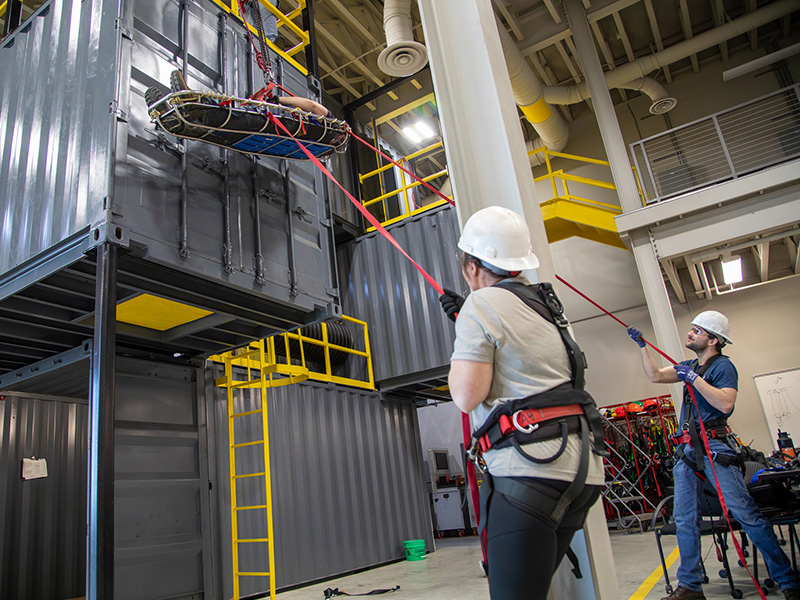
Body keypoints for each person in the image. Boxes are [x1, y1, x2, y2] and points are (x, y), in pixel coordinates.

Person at [439, 206, 605, 600]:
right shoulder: (547, 305)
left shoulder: (481, 307)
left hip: (530, 471)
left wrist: (467, 325)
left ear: (471, 265)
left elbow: (466, 396)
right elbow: (526, 362)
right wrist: (469, 317)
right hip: (582, 472)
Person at [627, 313, 800, 600]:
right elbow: (655, 376)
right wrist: (642, 346)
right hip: (688, 451)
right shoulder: (689, 365)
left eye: (698, 331)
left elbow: (725, 402)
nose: (691, 333)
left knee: (746, 514)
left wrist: (694, 379)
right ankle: (690, 586)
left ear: (713, 339)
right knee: (684, 519)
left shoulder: (723, 366)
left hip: (715, 448)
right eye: (692, 329)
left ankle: (787, 580)